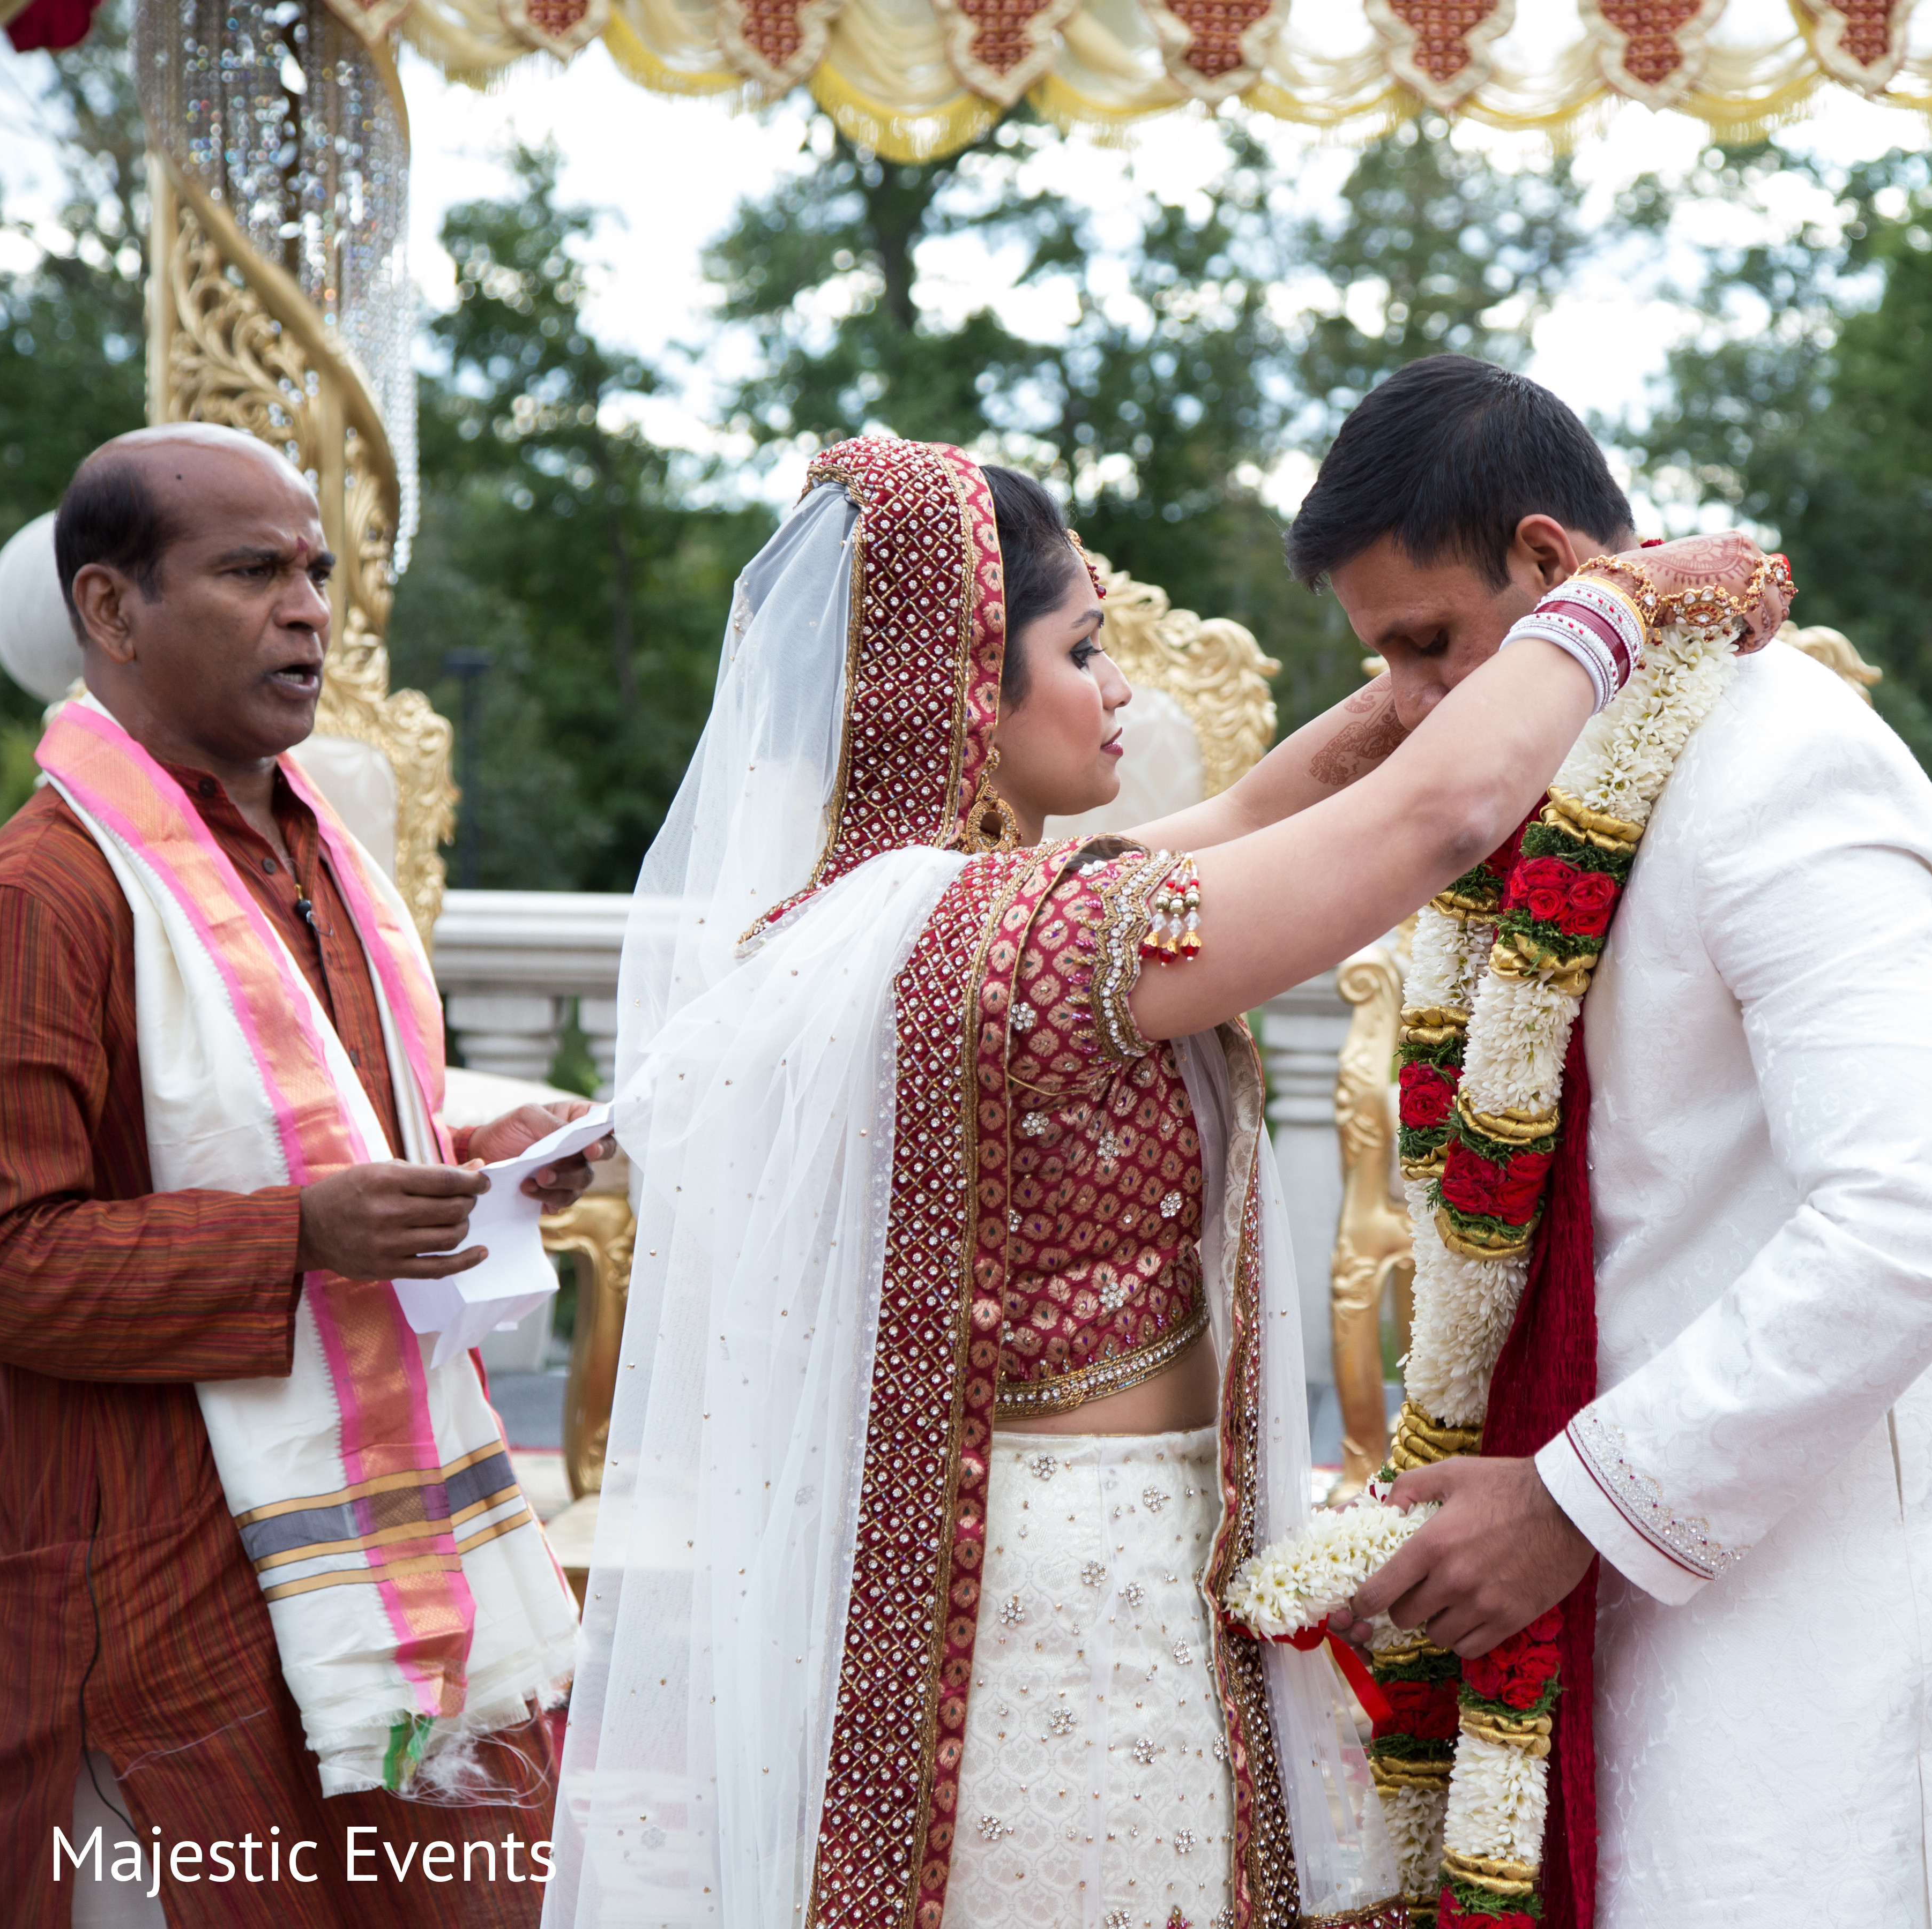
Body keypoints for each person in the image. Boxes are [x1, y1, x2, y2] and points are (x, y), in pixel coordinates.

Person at [544, 435, 1780, 1929]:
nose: (1119, 686)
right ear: (956, 689)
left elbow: (1270, 809)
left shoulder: (872, 926)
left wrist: (1423, 681)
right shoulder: (1032, 954)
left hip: (970, 1567)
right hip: (1077, 1608)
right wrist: (1625, 599)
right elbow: (1429, 823)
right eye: (1081, 647)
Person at [1167, 355, 1932, 1927]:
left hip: (1820, 1580)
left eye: (1426, 646)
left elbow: (1914, 1226)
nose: (1407, 705)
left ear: (1552, 565)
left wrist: (1572, 1502)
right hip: (1638, 1519)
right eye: (1379, 663)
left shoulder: (1784, 766)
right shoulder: (1561, 773)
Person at [0, 423, 602, 1927]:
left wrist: (472, 1171)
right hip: (152, 1571)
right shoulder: (47, 896)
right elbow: (15, 1260)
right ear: (111, 610)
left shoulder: (324, 857)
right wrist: (301, 1242)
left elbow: (326, 1140)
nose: (309, 611)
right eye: (252, 570)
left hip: (373, 1551)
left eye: (317, 573)